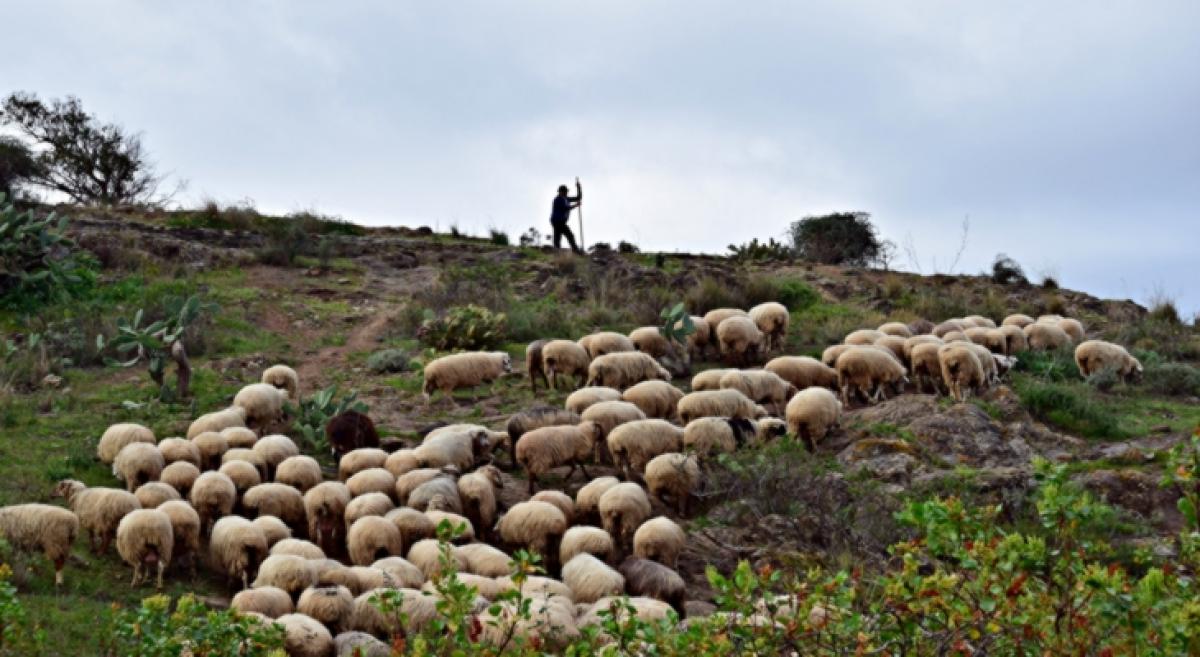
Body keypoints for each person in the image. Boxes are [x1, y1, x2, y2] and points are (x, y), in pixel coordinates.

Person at [549, 180, 583, 254]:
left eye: (566, 191)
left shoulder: (566, 199)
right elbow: (565, 208)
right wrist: (575, 205)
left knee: (559, 237)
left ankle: (558, 252)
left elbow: (578, 198)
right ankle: (575, 251)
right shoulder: (557, 199)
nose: (566, 193)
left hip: (561, 221)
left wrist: (579, 188)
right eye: (564, 191)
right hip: (557, 221)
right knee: (569, 235)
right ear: (560, 192)